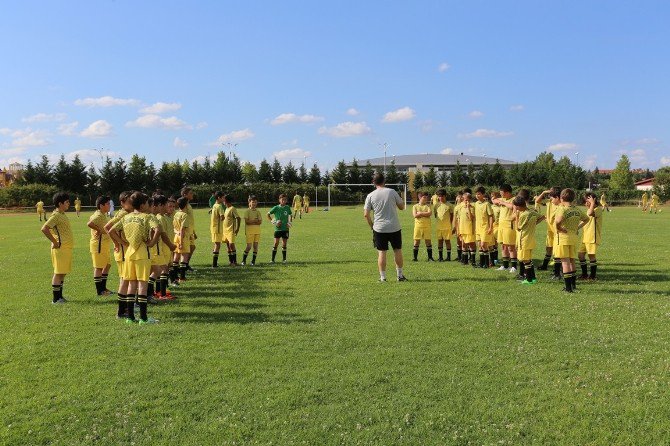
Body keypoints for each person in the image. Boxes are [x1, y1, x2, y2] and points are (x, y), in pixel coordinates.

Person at [112, 192, 161, 323]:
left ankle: (130, 317)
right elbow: (157, 229)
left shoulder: (126, 217)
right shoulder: (148, 216)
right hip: (142, 253)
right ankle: (144, 318)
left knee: (131, 284)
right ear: (143, 204)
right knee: (142, 284)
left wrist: (122, 243)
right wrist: (151, 243)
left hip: (129, 253)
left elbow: (111, 230)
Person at [363, 172, 407, 282]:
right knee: (397, 250)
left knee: (382, 252)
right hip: (394, 227)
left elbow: (366, 214)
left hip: (379, 228)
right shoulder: (392, 192)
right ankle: (400, 276)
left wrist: (372, 226)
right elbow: (402, 207)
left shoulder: (370, 195)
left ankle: (383, 278)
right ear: (384, 181)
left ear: (373, 182)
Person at [554, 188, 589, 293]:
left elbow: (558, 221)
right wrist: (577, 227)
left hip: (563, 238)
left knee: (565, 262)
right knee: (572, 261)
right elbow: (586, 219)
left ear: (561, 198)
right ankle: (573, 285)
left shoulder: (563, 208)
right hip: (573, 238)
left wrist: (559, 228)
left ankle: (568, 288)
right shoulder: (576, 209)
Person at [41, 192, 73, 304]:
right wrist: (54, 242)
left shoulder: (62, 214)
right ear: (60, 203)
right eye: (67, 202)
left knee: (62, 272)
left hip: (66, 247)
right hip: (60, 248)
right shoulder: (56, 215)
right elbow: (44, 228)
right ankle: (56, 298)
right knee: (58, 272)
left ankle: (60, 296)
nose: (69, 204)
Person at [514, 196, 544, 285]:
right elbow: (542, 217)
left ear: (518, 206)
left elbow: (518, 228)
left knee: (525, 260)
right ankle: (533, 278)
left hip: (524, 239)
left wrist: (516, 216)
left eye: (515, 206)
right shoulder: (532, 212)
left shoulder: (523, 214)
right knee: (528, 259)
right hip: (530, 239)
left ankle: (529, 280)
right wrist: (533, 224)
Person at [87, 195, 113, 296]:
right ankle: (100, 291)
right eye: (107, 204)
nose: (109, 206)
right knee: (98, 267)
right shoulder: (98, 215)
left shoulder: (103, 214)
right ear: (101, 205)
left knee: (107, 265)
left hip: (104, 244)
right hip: (98, 244)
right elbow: (89, 223)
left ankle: (103, 288)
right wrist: (98, 230)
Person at [534, 187, 561, 273]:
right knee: (548, 248)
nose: (549, 194)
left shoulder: (561, 205)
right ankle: (544, 266)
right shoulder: (549, 202)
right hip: (550, 230)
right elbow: (537, 201)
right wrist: (543, 192)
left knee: (557, 250)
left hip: (558, 231)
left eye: (551, 192)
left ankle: (558, 270)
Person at [492, 185, 518, 273]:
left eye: (502, 193)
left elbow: (513, 207)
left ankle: (514, 266)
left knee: (511, 246)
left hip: (509, 225)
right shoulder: (502, 199)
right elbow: (494, 200)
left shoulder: (514, 199)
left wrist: (502, 203)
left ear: (507, 192)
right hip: (501, 225)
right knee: (503, 246)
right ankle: (505, 265)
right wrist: (497, 199)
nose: (501, 194)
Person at [578, 192, 603, 280]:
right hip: (585, 237)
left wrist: (592, 203)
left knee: (591, 256)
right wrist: (576, 228)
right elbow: (585, 220)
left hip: (592, 237)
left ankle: (592, 276)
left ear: (592, 200)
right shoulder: (589, 209)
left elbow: (591, 213)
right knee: (580, 255)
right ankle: (584, 275)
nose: (585, 204)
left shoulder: (598, 209)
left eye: (586, 201)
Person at [268, 194, 292, 263]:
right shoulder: (276, 208)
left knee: (284, 244)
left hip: (285, 229)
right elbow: (268, 214)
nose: (283, 201)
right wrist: (274, 222)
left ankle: (284, 260)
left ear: (286, 200)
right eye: (282, 199)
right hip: (277, 229)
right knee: (276, 243)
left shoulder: (287, 207)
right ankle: (272, 260)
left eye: (285, 199)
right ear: (279, 200)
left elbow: (290, 215)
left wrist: (289, 223)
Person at [474, 186, 495, 268]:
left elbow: (490, 216)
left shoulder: (487, 204)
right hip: (478, 228)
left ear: (483, 195)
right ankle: (482, 263)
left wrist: (490, 227)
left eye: (479, 194)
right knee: (480, 245)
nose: (477, 196)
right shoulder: (476, 204)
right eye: (476, 194)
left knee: (483, 245)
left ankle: (487, 263)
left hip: (485, 228)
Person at [454, 192, 476, 266]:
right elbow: (458, 219)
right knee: (463, 244)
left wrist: (468, 208)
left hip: (470, 229)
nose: (465, 201)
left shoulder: (472, 207)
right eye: (464, 199)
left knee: (471, 244)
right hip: (462, 228)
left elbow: (471, 218)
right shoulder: (460, 207)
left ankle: (473, 261)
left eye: (466, 200)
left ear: (470, 200)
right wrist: (458, 229)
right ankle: (465, 261)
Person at [173, 197, 192, 282]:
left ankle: (174, 276)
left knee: (176, 256)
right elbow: (182, 229)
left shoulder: (176, 214)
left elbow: (174, 228)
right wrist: (181, 242)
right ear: (186, 205)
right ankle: (182, 277)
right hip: (183, 238)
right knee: (184, 257)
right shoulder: (184, 215)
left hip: (176, 237)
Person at [412, 192, 434, 261]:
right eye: (424, 197)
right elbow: (415, 215)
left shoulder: (428, 206)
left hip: (427, 226)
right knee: (416, 241)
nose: (426, 199)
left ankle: (430, 258)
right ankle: (415, 258)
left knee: (428, 241)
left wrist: (420, 213)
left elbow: (429, 213)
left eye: (426, 197)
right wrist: (425, 214)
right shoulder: (415, 206)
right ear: (420, 197)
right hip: (418, 226)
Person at [433, 189, 453, 261]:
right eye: (439, 196)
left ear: (445, 196)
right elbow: (435, 215)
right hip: (439, 227)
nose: (440, 198)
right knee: (440, 241)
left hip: (447, 227)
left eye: (442, 196)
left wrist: (450, 225)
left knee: (447, 241)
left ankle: (448, 257)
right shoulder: (436, 205)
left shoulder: (450, 205)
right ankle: (440, 257)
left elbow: (452, 216)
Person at [242, 195, 262, 266]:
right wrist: (254, 221)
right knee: (249, 247)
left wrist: (252, 221)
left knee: (255, 246)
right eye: (253, 202)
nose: (254, 204)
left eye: (255, 202)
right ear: (249, 202)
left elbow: (260, 222)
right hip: (249, 232)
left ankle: (253, 261)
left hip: (257, 231)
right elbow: (247, 222)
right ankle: (243, 260)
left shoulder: (258, 212)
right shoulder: (247, 211)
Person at [181, 186, 197, 271]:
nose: (192, 194)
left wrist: (193, 231)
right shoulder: (184, 206)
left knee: (192, 247)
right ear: (185, 195)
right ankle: (183, 265)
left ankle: (186, 264)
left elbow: (190, 219)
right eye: (190, 193)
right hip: (186, 231)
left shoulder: (189, 205)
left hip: (190, 231)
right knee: (186, 249)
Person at [223, 194, 241, 265]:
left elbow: (238, 218)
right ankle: (230, 261)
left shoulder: (232, 208)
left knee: (231, 244)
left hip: (231, 230)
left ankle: (235, 261)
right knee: (227, 245)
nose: (223, 202)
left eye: (224, 200)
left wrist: (237, 229)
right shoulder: (226, 209)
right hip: (225, 230)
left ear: (226, 201)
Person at [210, 191, 225, 267]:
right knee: (217, 245)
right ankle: (214, 264)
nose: (224, 198)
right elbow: (222, 217)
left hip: (214, 228)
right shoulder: (219, 206)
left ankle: (214, 263)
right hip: (217, 229)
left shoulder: (214, 205)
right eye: (223, 197)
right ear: (219, 198)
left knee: (216, 245)